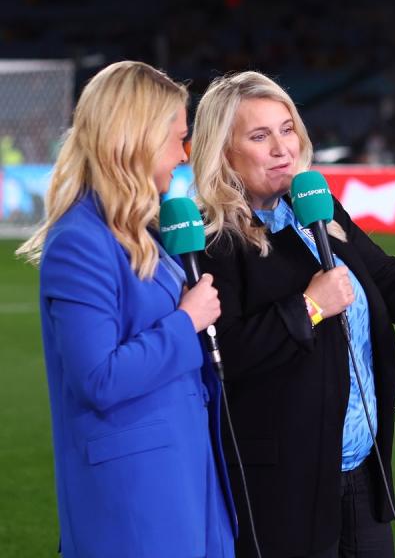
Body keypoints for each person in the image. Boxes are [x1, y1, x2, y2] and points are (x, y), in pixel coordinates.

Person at [190, 71, 395, 558]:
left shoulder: (315, 206)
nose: (282, 148)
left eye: (287, 129)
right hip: (284, 484)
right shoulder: (213, 241)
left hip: (362, 467)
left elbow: (385, 271)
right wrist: (308, 307)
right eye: (259, 135)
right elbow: (221, 356)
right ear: (222, 151)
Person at [16, 61, 237, 557]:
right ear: (135, 138)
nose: (184, 155)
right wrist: (187, 321)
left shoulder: (142, 233)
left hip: (183, 476)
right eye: (177, 139)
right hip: (134, 500)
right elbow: (98, 378)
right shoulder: (80, 241)